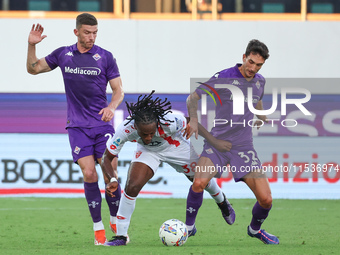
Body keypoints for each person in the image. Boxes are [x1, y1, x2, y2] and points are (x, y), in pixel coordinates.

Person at [26, 13, 124, 245]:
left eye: (95, 33)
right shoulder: (63, 54)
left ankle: (116, 220)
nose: (91, 37)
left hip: (102, 125)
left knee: (110, 174)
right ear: (77, 32)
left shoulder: (106, 57)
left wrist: (111, 106)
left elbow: (119, 90)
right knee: (89, 173)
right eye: (87, 32)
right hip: (77, 126)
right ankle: (98, 227)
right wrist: (31, 46)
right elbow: (33, 69)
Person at [100, 91, 235, 246]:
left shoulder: (169, 120)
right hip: (148, 152)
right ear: (135, 126)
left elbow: (193, 123)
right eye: (144, 134)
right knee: (132, 186)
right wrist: (112, 179)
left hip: (175, 145)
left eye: (152, 133)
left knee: (200, 179)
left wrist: (215, 142)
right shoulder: (125, 129)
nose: (149, 137)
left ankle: (222, 201)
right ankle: (120, 237)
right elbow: (106, 158)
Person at [185, 39, 279, 244]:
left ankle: (255, 230)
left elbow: (258, 99)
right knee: (199, 182)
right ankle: (188, 228)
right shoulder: (223, 77)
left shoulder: (260, 81)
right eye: (251, 62)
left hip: (244, 147)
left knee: (266, 199)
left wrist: (261, 117)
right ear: (244, 57)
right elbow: (192, 98)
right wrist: (193, 120)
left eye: (258, 65)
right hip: (217, 143)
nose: (253, 68)